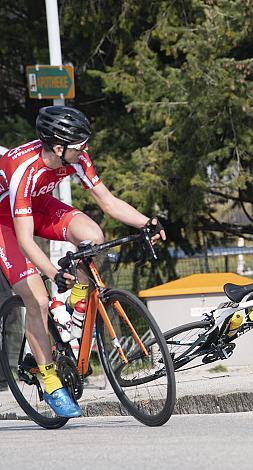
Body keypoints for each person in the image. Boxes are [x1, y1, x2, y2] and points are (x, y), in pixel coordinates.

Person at [0, 106, 165, 417]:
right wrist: (51, 273)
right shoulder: (24, 169)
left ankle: (74, 306)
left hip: (39, 205)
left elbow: (107, 201)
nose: (85, 150)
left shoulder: (75, 157)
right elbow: (24, 240)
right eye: (79, 146)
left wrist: (146, 223)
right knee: (36, 298)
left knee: (93, 236)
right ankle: (48, 379)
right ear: (58, 147)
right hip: (4, 220)